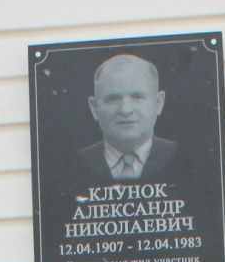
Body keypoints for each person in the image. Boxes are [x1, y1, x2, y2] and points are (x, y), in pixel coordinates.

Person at [76, 52, 180, 183]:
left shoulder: (182, 158)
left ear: (159, 102)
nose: (125, 110)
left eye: (137, 97)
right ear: (94, 107)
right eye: (112, 99)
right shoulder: (72, 165)